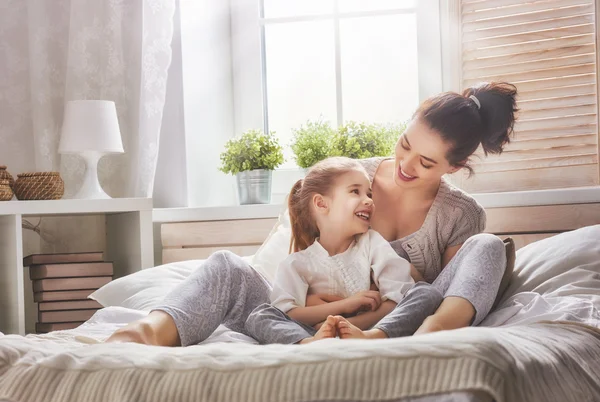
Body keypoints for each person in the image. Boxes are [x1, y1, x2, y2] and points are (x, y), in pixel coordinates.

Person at [106, 81, 516, 346]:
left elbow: (439, 293)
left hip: (391, 325)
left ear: (454, 167)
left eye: (426, 163)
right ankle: (142, 334)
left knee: (487, 246)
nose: (407, 164)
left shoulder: (461, 214)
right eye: (404, 143)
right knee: (226, 266)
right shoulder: (353, 178)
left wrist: (374, 313)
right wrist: (317, 306)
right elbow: (304, 257)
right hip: (303, 318)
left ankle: (435, 342)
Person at [244, 157, 443, 345]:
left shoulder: (372, 243)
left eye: (369, 194)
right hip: (312, 332)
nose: (369, 201)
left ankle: (369, 338)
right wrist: (345, 305)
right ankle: (309, 344)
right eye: (355, 191)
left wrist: (353, 327)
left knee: (426, 292)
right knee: (260, 315)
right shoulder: (296, 263)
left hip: (371, 328)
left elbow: (398, 295)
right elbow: (288, 313)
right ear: (321, 203)